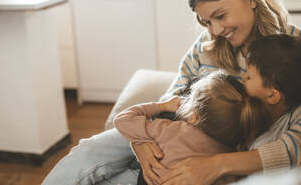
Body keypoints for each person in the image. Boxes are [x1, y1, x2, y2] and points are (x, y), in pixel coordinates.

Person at [42, 0, 301, 185]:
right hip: (165, 132)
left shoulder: (296, 53)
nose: (216, 30)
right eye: (206, 21)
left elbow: (298, 143)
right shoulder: (208, 44)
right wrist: (141, 139)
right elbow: (175, 93)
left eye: (221, 16)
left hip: (208, 154)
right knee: (86, 152)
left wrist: (216, 165)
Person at [114, 71, 270, 185]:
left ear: (194, 116)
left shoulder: (169, 129)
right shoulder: (230, 159)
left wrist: (161, 106)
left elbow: (122, 120)